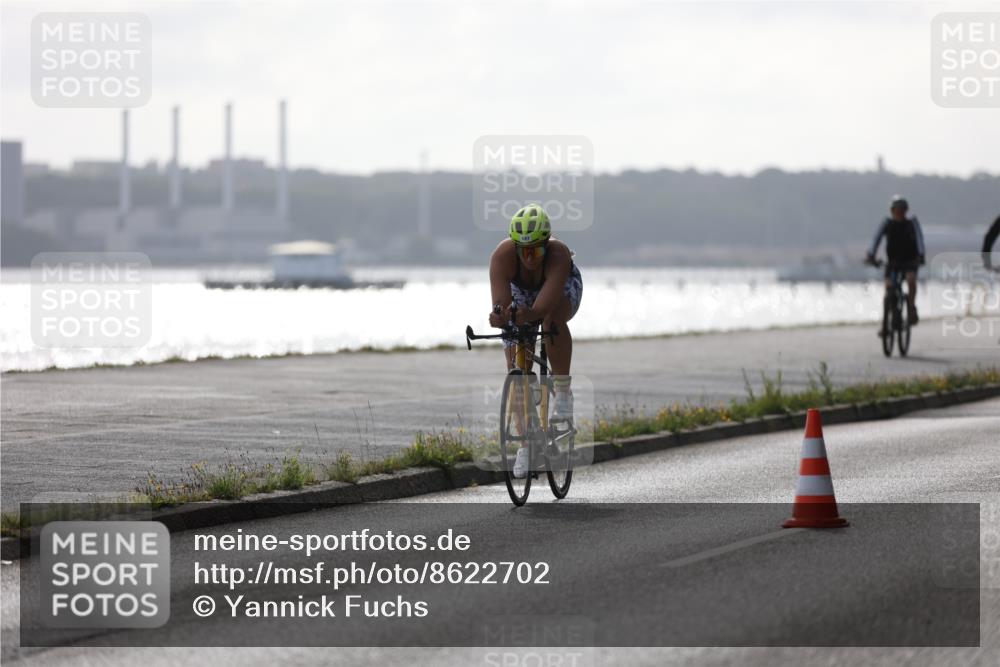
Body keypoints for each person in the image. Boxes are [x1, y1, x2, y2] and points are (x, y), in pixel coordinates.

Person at [488, 203, 583, 479]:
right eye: (524, 251)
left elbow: (540, 309)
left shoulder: (558, 255)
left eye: (536, 250)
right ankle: (527, 445)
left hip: (559, 291)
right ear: (516, 248)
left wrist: (525, 316)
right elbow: (502, 305)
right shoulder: (502, 257)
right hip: (522, 293)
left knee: (551, 321)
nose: (530, 258)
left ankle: (563, 392)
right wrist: (501, 317)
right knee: (517, 373)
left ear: (546, 245)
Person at [866, 195, 926, 326]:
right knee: (888, 288)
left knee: (911, 280)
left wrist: (921, 256)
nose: (899, 213)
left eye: (902, 210)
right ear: (892, 211)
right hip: (892, 262)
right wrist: (871, 256)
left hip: (910, 261)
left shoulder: (912, 223)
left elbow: (920, 240)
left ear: (906, 211)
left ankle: (911, 307)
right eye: (896, 210)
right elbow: (876, 240)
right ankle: (887, 322)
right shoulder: (887, 224)